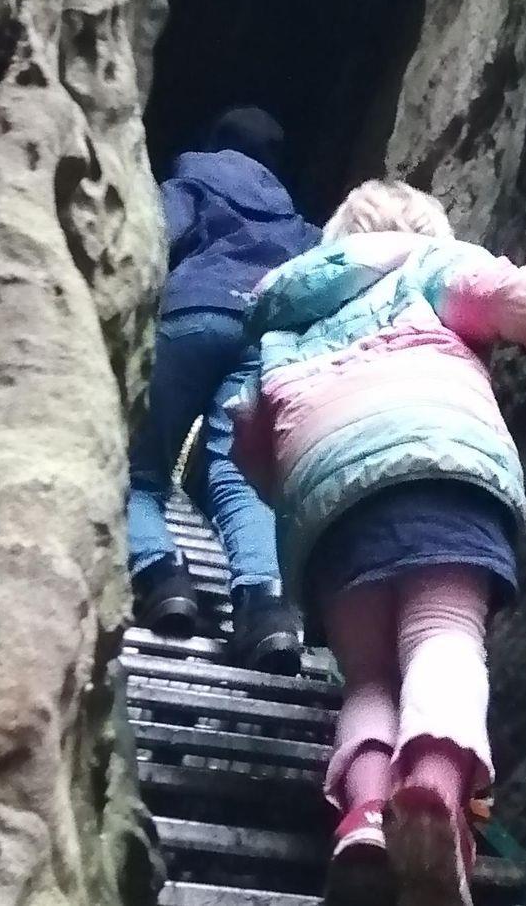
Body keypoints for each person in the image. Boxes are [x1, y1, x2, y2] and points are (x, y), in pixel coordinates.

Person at [229, 180, 526, 906]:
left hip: (331, 510)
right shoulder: (427, 265)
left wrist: (305, 487)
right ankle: (433, 792)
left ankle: (364, 818)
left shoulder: (286, 319)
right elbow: (511, 298)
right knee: (442, 638)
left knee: (369, 679)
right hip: (440, 468)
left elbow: (252, 442)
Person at [129, 106, 319, 673]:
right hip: (263, 334)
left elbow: (154, 240)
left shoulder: (191, 182)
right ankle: (265, 607)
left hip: (190, 318)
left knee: (135, 469)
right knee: (235, 474)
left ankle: (161, 576)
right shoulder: (296, 222)